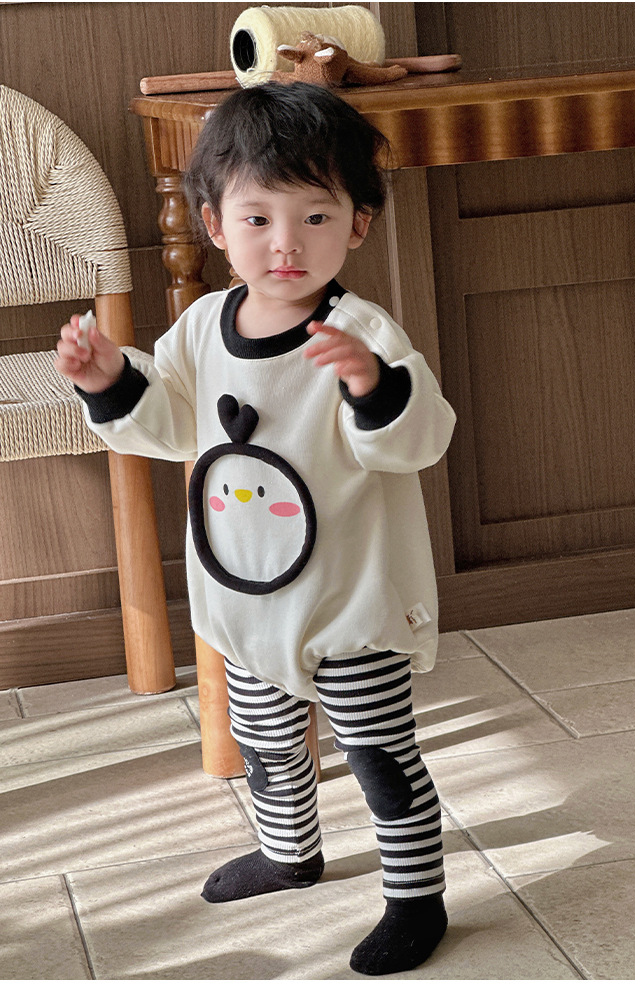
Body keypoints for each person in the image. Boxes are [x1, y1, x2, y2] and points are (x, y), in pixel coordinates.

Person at [56, 82, 456, 977]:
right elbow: (169, 422)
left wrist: (370, 385)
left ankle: (415, 895)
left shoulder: (361, 333)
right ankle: (288, 851)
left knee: (379, 756)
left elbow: (419, 440)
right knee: (267, 743)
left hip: (350, 603)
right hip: (245, 599)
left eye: (316, 216)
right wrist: (109, 380)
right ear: (213, 224)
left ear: (358, 225)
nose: (286, 243)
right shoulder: (202, 326)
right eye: (258, 218)